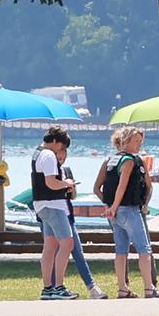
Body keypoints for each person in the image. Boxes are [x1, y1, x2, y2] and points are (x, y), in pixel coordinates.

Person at [101, 126, 159, 298]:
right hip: (129, 210)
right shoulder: (131, 161)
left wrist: (109, 206)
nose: (139, 145)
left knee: (121, 251)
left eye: (141, 141)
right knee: (144, 249)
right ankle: (149, 287)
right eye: (136, 141)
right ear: (125, 141)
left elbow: (97, 187)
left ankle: (122, 288)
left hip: (114, 213)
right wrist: (140, 205)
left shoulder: (109, 160)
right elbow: (124, 187)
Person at [32, 125, 78, 300]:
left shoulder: (38, 153)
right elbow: (51, 183)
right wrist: (67, 184)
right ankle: (58, 286)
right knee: (67, 244)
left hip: (42, 205)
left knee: (50, 246)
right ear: (54, 142)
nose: (62, 151)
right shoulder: (49, 155)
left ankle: (48, 287)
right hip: (53, 205)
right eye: (61, 146)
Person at [56, 147, 108, 299]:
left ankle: (91, 287)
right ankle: (54, 286)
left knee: (77, 251)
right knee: (54, 252)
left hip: (68, 214)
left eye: (64, 153)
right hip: (55, 215)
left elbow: (73, 195)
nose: (62, 156)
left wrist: (70, 188)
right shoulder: (49, 171)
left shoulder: (66, 170)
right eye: (59, 153)